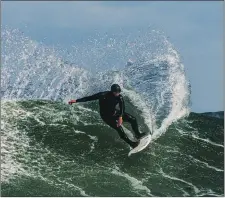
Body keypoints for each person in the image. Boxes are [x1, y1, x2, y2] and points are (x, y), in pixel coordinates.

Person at [68, 84, 145, 148]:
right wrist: (76, 101)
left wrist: (120, 117)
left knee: (133, 119)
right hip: (106, 117)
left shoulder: (119, 97)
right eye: (116, 92)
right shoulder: (103, 95)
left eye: (119, 92)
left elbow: (122, 108)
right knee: (119, 129)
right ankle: (132, 144)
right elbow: (89, 98)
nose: (118, 94)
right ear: (112, 92)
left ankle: (137, 134)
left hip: (115, 113)